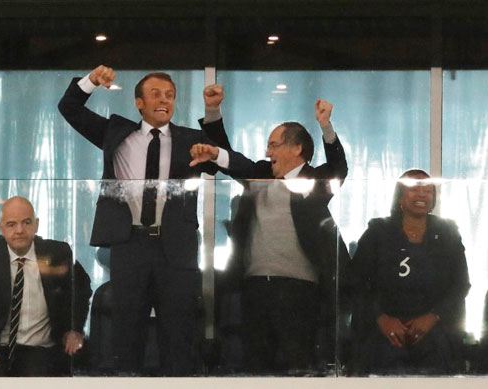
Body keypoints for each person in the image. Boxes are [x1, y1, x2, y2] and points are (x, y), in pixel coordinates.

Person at [57, 65, 221, 375]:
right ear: (139, 103)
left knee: (178, 337)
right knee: (126, 334)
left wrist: (212, 112)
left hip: (176, 247)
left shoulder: (191, 139)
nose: (164, 100)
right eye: (156, 94)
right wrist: (91, 81)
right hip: (129, 243)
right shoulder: (118, 134)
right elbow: (69, 108)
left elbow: (220, 155)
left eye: (170, 95)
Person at [190, 93, 350, 375]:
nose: (268, 153)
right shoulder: (261, 175)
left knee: (296, 367)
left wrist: (326, 127)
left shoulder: (313, 182)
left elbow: (338, 169)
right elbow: (231, 158)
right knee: (255, 367)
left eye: (273, 145)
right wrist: (213, 113)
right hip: (254, 289)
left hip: (299, 291)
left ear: (297, 148)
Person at [0, 196, 92, 377]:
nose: (19, 230)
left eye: (26, 222)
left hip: (41, 350)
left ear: (37, 225)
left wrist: (74, 329)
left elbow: (82, 290)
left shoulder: (58, 254)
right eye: (11, 224)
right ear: (1, 228)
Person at [347, 169, 470, 375]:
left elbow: (461, 284)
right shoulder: (378, 231)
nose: (422, 194)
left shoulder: (448, 232)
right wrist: (381, 318)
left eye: (428, 190)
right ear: (400, 197)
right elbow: (356, 281)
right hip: (384, 334)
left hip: (433, 333)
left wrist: (432, 317)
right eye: (414, 188)